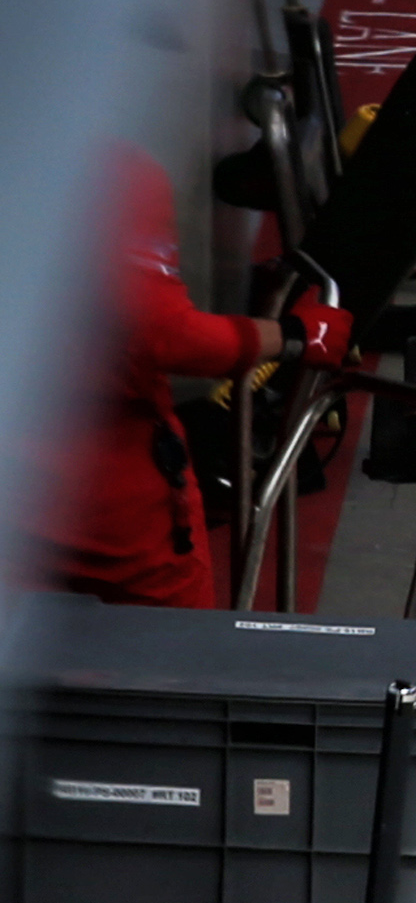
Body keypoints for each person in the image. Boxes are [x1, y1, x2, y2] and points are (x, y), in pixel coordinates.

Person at [31, 148, 300, 607]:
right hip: (100, 474)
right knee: (174, 651)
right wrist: (295, 336)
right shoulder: (112, 174)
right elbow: (167, 334)